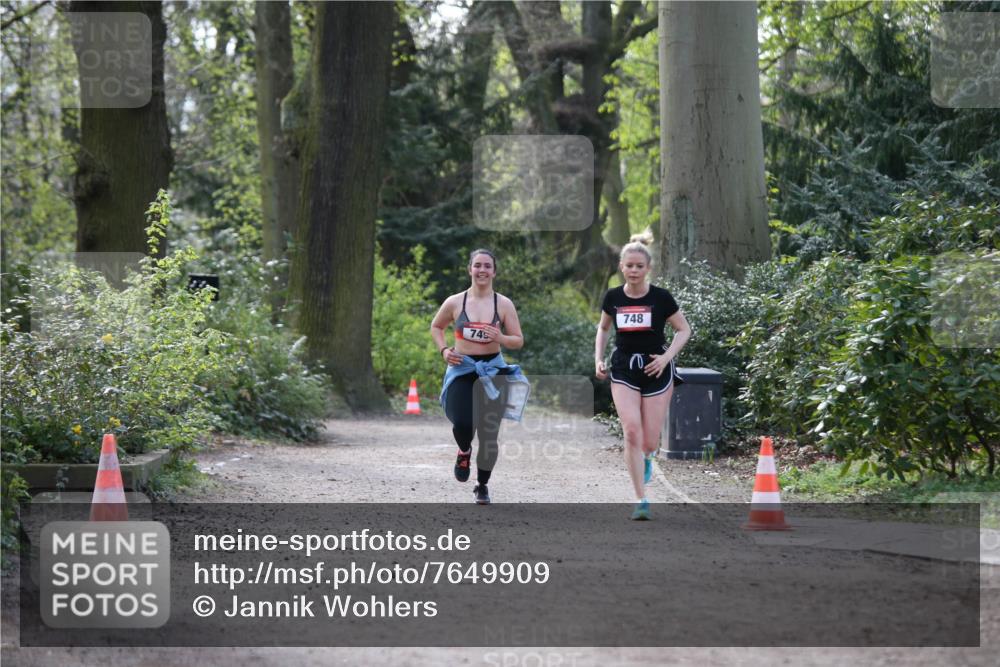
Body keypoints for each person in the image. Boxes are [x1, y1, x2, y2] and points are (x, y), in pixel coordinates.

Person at [595, 234, 692, 520]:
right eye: (629, 265)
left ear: (648, 268)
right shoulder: (613, 297)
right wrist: (598, 358)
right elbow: (603, 328)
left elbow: (684, 329)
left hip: (655, 369)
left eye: (639, 266)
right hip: (624, 367)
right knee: (631, 432)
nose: (634, 270)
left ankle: (647, 456)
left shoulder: (661, 298)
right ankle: (641, 499)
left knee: (649, 442)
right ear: (621, 267)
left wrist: (666, 358)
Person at [431, 249, 525, 505]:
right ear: (470, 269)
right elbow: (436, 326)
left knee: (489, 435)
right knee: (462, 422)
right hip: (463, 369)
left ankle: (482, 484)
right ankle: (464, 450)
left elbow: (518, 340)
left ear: (494, 272)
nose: (482, 270)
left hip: (493, 371)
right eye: (477, 265)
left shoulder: (503, 304)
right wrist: (444, 350)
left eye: (487, 266)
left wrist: (501, 338)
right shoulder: (455, 302)